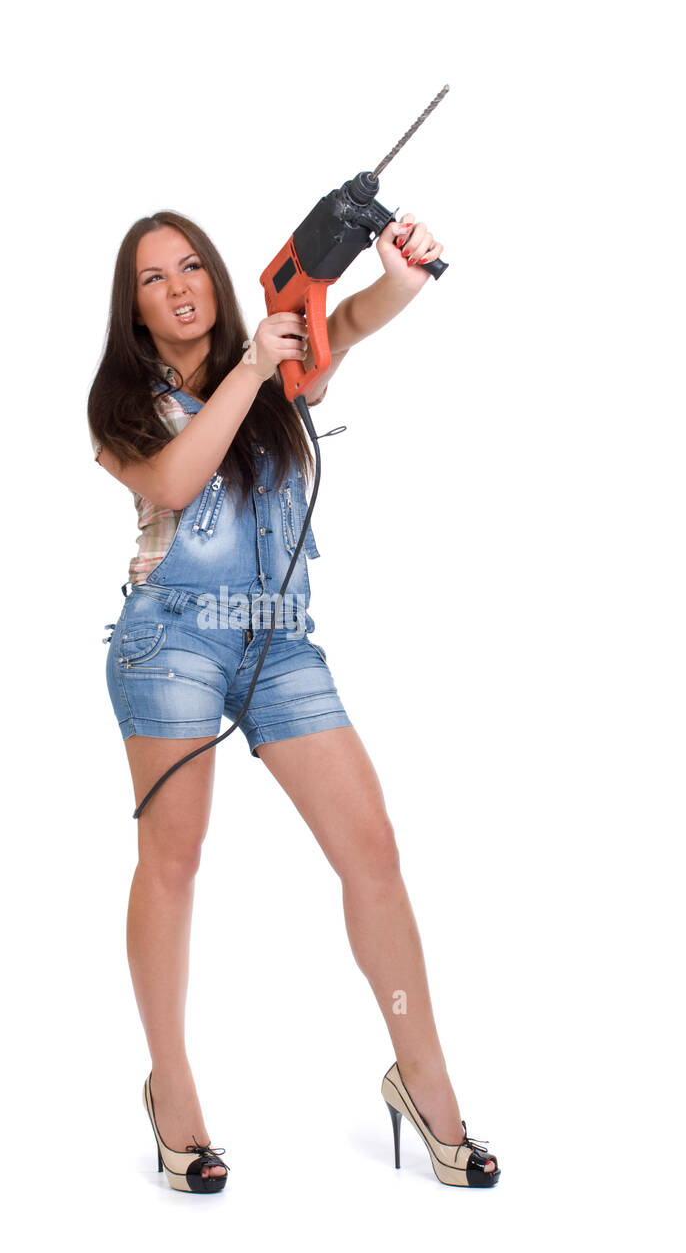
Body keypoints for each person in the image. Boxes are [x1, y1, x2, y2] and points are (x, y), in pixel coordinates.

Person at [87, 210, 500, 1193]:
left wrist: (401, 277)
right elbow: (181, 479)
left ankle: (424, 1078)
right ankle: (173, 1091)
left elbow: (347, 322)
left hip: (280, 639)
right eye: (153, 278)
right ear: (133, 307)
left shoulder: (277, 362)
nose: (180, 286)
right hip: (172, 636)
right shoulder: (119, 405)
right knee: (175, 862)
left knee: (374, 853)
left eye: (192, 265)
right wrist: (249, 369)